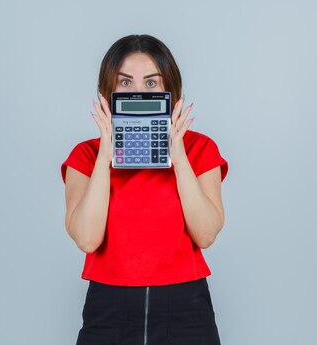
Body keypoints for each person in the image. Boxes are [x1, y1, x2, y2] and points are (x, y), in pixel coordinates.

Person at [60, 34, 229, 345]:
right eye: (125, 83)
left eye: (151, 84)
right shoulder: (85, 156)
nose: (138, 94)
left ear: (170, 90)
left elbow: (205, 234)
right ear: (106, 91)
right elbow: (86, 238)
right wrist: (105, 155)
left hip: (186, 308)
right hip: (108, 308)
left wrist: (177, 155)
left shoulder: (199, 149)